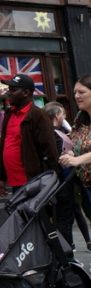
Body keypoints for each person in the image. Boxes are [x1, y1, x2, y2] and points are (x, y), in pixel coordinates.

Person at [0, 74, 58, 198]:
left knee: (36, 217)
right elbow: (3, 146)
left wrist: (51, 181)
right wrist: (1, 177)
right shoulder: (9, 114)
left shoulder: (38, 115)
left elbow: (49, 149)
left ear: (25, 92)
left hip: (33, 183)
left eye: (13, 90)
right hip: (14, 182)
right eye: (9, 89)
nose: (8, 93)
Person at [60, 75, 91, 240]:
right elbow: (75, 143)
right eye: (75, 92)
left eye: (82, 92)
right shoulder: (81, 117)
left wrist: (78, 160)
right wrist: (71, 154)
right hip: (87, 183)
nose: (77, 96)